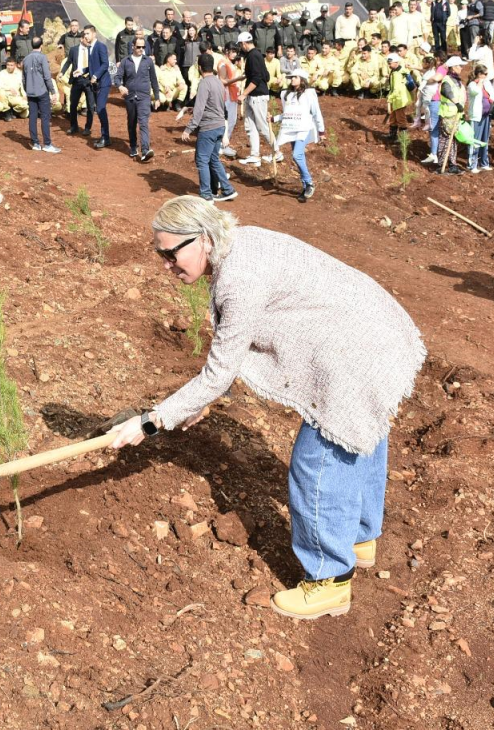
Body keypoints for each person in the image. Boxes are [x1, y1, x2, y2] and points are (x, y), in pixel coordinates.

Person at [108, 196, 425, 619]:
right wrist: (201, 399)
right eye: (159, 254)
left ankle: (329, 580)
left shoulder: (238, 278)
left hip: (354, 350)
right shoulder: (241, 243)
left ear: (202, 239)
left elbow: (220, 369)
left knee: (318, 462)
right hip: (372, 327)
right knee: (362, 434)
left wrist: (152, 421)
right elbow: (228, 360)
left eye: (171, 253)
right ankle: (358, 537)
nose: (166, 264)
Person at [180, 53, 237, 202]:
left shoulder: (204, 83)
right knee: (214, 159)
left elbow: (199, 109)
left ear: (199, 67)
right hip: (219, 126)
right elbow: (219, 105)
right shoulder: (219, 82)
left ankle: (206, 194)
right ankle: (227, 189)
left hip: (208, 127)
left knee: (202, 160)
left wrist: (188, 129)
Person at [274, 68, 325, 201]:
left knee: (297, 154)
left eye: (295, 77)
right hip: (291, 127)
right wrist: (275, 119)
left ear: (302, 79)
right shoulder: (288, 95)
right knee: (298, 156)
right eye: (291, 78)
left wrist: (321, 131)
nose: (292, 80)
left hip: (304, 128)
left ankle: (309, 183)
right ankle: (305, 187)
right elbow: (289, 114)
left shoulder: (309, 94)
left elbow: (316, 112)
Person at [232, 31, 278, 168]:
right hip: (254, 96)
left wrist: (244, 94)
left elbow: (258, 79)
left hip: (257, 96)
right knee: (250, 125)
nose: (240, 47)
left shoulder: (254, 56)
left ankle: (277, 151)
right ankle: (255, 155)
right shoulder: (256, 55)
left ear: (244, 43)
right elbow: (266, 76)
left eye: (240, 45)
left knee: (262, 126)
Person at [113, 35, 160, 161]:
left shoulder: (148, 61)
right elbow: (117, 77)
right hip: (130, 97)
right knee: (132, 122)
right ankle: (133, 146)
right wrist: (120, 86)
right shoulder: (125, 61)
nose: (141, 49)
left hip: (144, 96)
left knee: (143, 122)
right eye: (138, 47)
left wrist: (157, 97)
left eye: (143, 47)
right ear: (133, 46)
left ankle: (145, 150)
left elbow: (154, 80)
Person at [63, 25, 111, 148]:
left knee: (99, 109)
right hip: (94, 84)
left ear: (94, 34)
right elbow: (90, 66)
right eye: (84, 34)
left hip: (103, 83)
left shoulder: (100, 46)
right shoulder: (90, 48)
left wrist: (95, 75)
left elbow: (105, 64)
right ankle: (105, 137)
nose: (85, 36)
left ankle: (105, 137)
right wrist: (81, 70)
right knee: (97, 109)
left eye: (88, 33)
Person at [22, 37, 61, 153]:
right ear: (41, 46)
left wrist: (27, 90)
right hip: (42, 92)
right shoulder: (42, 57)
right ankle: (47, 144)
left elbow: (23, 78)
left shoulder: (26, 59)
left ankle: (35, 143)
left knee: (32, 117)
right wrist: (53, 91)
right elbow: (47, 77)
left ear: (31, 45)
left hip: (31, 92)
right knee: (45, 117)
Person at [435, 57, 467, 175]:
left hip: (456, 115)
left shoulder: (457, 81)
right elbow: (446, 92)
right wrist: (456, 103)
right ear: (453, 67)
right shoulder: (447, 80)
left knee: (453, 141)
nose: (461, 68)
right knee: (445, 140)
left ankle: (452, 164)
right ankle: (441, 166)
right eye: (459, 66)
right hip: (447, 114)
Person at [465, 63, 494, 172]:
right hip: (476, 116)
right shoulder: (472, 85)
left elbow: (492, 95)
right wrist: (480, 83)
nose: (486, 76)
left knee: (484, 139)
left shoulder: (487, 84)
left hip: (486, 115)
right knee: (475, 140)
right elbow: (475, 92)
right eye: (485, 74)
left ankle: (484, 162)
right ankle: (472, 164)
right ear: (479, 74)